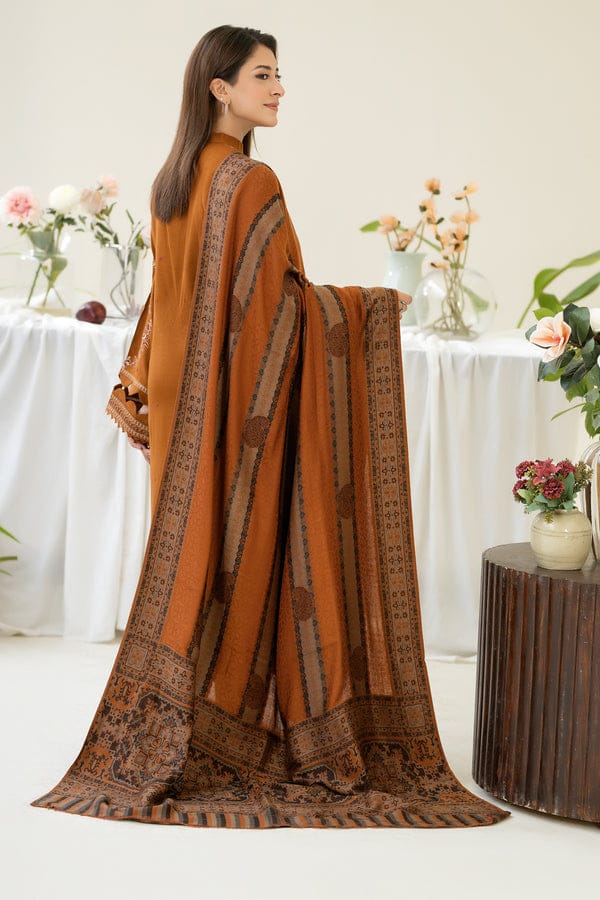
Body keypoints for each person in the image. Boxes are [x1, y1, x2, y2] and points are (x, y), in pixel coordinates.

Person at [31, 25, 508, 829]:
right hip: (231, 410)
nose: (279, 88)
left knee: (198, 565)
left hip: (183, 407)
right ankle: (245, 732)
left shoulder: (173, 180)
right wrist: (369, 308)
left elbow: (173, 303)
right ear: (218, 87)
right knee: (244, 558)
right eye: (263, 75)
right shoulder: (250, 180)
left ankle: (191, 726)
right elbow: (279, 312)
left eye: (279, 75)